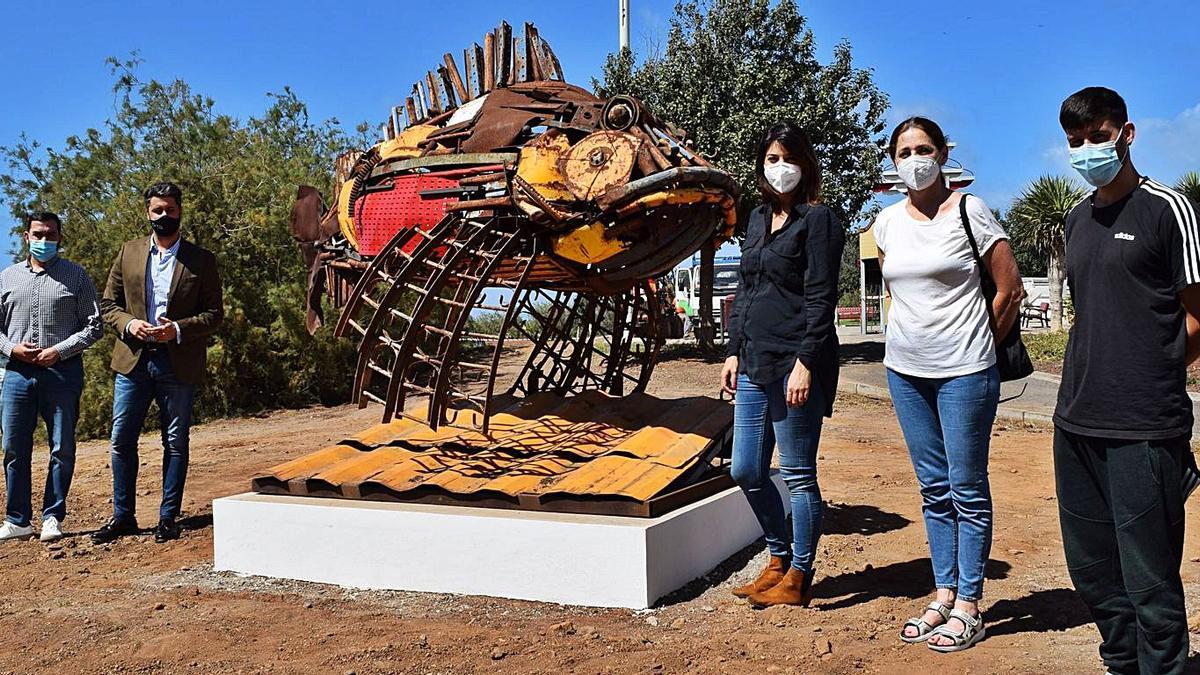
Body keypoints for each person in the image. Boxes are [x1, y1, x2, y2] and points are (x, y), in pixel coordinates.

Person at [1052, 86, 1200, 675]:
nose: (1087, 149)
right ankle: (1121, 663)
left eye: (1097, 137)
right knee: (1093, 572)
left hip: (1145, 424)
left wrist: (1151, 366)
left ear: (1127, 134)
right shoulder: (1076, 217)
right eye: (1075, 142)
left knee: (1150, 580)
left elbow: (1197, 315)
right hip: (1076, 421)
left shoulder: (1168, 209)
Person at [872, 117, 1023, 651]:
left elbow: (1009, 289)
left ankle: (969, 603)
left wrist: (979, 343)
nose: (915, 159)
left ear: (942, 154)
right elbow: (897, 288)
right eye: (905, 151)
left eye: (925, 149)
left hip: (965, 372)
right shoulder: (885, 222)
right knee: (933, 488)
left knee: (967, 487)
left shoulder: (969, 210)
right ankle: (943, 592)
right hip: (904, 371)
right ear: (893, 161)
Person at [720, 121, 844, 608]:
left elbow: (821, 296)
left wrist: (806, 362)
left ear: (805, 164)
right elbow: (746, 289)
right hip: (753, 362)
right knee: (745, 469)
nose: (779, 168)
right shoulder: (755, 218)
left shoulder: (818, 221)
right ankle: (776, 558)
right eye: (771, 159)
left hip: (796, 365)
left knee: (797, 474)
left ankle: (798, 574)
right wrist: (732, 350)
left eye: (788, 158)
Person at [93, 182, 224, 544]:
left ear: (180, 210)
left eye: (169, 209)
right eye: (157, 210)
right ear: (147, 213)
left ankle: (168, 517)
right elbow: (108, 305)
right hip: (133, 362)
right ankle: (123, 516)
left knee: (175, 441)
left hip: (177, 362)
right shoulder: (128, 253)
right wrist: (130, 324)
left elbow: (215, 314)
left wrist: (178, 330)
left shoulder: (202, 260)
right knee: (121, 440)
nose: (163, 216)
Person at [0, 212, 103, 543]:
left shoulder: (76, 276)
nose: (44, 240)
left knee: (62, 446)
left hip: (62, 372)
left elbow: (94, 325)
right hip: (16, 373)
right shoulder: (7, 277)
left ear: (60, 238)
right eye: (38, 234)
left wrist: (59, 350)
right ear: (26, 236)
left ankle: (52, 517)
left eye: (51, 234)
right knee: (14, 447)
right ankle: (17, 519)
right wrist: (12, 349)